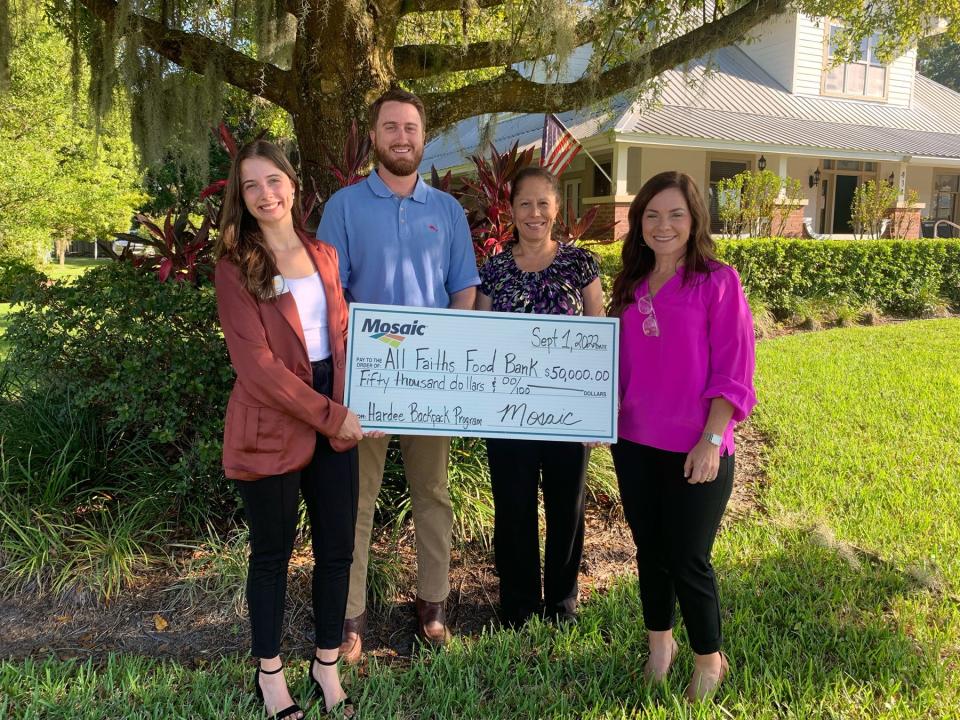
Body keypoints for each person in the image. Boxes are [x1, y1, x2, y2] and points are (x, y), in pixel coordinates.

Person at [317, 88, 480, 662]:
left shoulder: (448, 211)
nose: (402, 137)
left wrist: (448, 350)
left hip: (430, 385)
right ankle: (350, 614)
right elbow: (333, 297)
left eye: (411, 127)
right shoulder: (343, 207)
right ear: (374, 135)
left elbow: (464, 289)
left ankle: (432, 603)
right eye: (391, 127)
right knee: (356, 500)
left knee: (432, 493)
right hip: (367, 383)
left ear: (423, 135)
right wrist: (352, 377)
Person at [215, 139, 376, 718]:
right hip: (273, 419)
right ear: (241, 195)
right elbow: (257, 370)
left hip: (332, 409)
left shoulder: (325, 255)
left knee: (337, 549)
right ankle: (271, 675)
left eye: (273, 181)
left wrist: (370, 398)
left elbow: (339, 337)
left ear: (293, 184)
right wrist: (335, 415)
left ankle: (326, 664)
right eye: (251, 185)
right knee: (272, 555)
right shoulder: (236, 268)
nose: (265, 194)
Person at [607, 171, 756, 702]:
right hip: (635, 443)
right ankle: (659, 647)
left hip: (697, 446)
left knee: (689, 556)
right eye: (651, 215)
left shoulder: (718, 281)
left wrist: (712, 440)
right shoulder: (629, 286)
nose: (663, 225)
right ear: (638, 222)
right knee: (650, 551)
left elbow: (734, 370)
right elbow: (612, 370)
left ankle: (709, 659)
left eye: (675, 214)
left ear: (694, 221)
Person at [475, 166, 605, 628]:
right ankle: (520, 605)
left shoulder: (580, 264)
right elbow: (480, 340)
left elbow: (599, 338)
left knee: (566, 507)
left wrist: (595, 413)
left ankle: (562, 604)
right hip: (508, 415)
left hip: (568, 413)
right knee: (513, 507)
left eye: (543, 203)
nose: (534, 213)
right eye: (525, 204)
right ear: (511, 210)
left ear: (556, 209)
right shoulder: (493, 270)